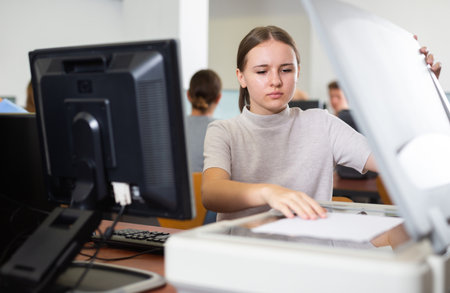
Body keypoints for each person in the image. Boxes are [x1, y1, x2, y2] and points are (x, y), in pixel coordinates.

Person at [202, 26, 441, 224]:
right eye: (262, 71)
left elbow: (395, 162)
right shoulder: (224, 131)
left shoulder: (321, 123)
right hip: (245, 255)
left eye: (286, 70)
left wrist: (419, 97)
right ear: (241, 77)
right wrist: (268, 192)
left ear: (297, 73)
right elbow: (211, 194)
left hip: (311, 254)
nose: (275, 81)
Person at [185, 69, 222, 173]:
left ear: (188, 95)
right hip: (210, 189)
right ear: (218, 98)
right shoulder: (223, 129)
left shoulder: (172, 127)